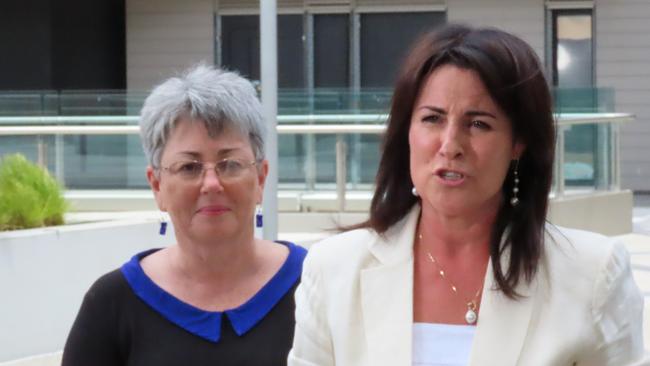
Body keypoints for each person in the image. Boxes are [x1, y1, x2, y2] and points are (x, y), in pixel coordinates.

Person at [288, 24, 646, 366]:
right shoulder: (333, 270)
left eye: (478, 124)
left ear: (517, 143)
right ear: (406, 131)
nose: (450, 145)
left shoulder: (592, 275)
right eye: (432, 119)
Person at [62, 65, 307, 365]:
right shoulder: (111, 304)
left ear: (260, 178)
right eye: (189, 167)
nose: (212, 184)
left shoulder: (315, 283)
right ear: (157, 186)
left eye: (229, 164)